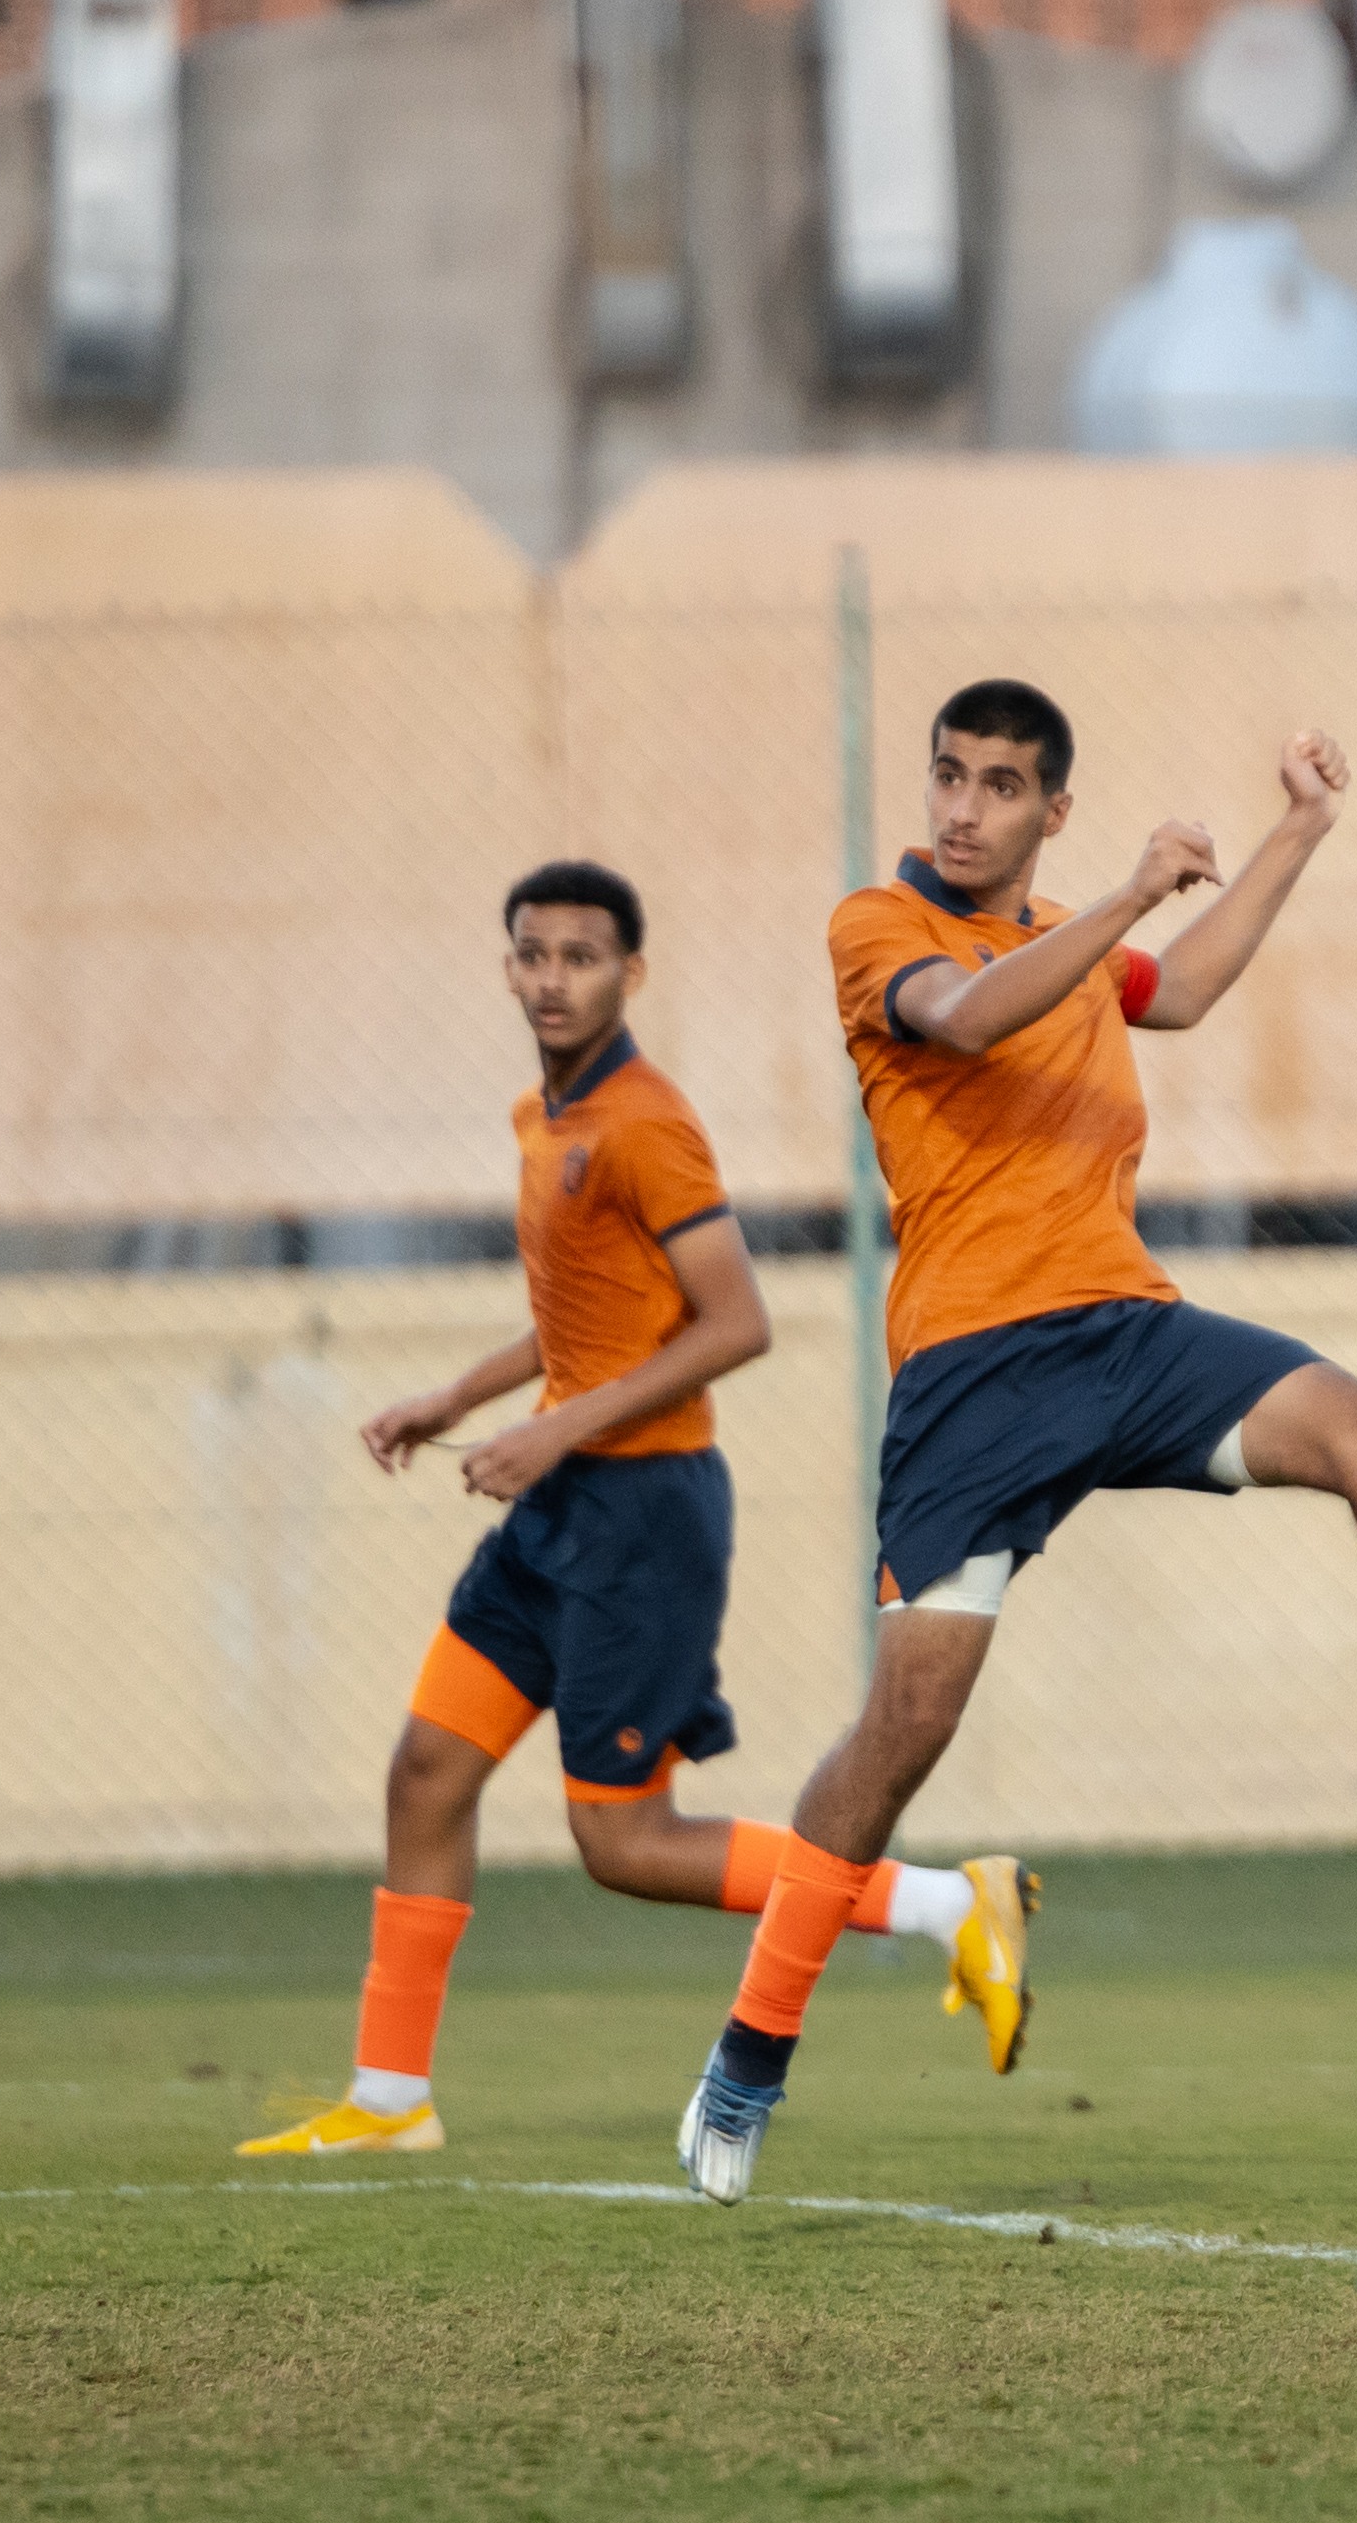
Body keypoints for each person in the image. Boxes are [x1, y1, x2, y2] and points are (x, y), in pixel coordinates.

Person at [676, 681, 1357, 2204]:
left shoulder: (1072, 934)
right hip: (973, 1378)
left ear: (1048, 813)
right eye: (948, 776)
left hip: (1125, 1333)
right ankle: (750, 2052)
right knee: (901, 1739)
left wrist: (1297, 829)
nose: (960, 807)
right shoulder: (877, 928)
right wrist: (1131, 892)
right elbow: (970, 1013)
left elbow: (1182, 988)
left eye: (999, 786)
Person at [240, 863, 1037, 2158]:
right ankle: (390, 2102)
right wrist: (459, 1392)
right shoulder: (540, 1118)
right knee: (427, 1771)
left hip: (642, 1513)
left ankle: (942, 1903)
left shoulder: (644, 1125)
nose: (553, 978)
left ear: (631, 974)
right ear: (507, 968)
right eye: (533, 954)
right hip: (561, 1505)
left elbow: (733, 1322)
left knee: (622, 1840)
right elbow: (590, 1318)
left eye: (580, 956)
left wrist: (552, 1425)